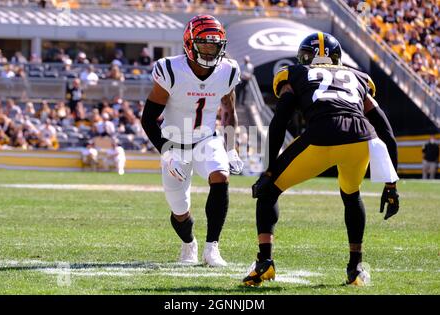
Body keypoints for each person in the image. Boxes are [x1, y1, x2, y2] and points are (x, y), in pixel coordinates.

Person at [242, 32, 400, 287]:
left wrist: (269, 170)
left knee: (269, 192)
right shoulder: (358, 77)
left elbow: (280, 120)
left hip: (321, 136)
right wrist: (392, 185)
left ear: (305, 57)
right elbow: (386, 129)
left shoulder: (294, 74)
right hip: (361, 139)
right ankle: (355, 269)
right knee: (351, 195)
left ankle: (265, 263)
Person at [141, 15, 243, 267]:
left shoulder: (228, 70)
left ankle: (212, 248)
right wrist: (167, 153)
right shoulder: (171, 70)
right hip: (174, 143)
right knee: (179, 209)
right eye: (204, 44)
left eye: (215, 45)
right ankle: (189, 245)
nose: (210, 50)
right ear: (189, 43)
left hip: (206, 139)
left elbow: (229, 112)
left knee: (220, 175)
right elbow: (148, 119)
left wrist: (231, 149)